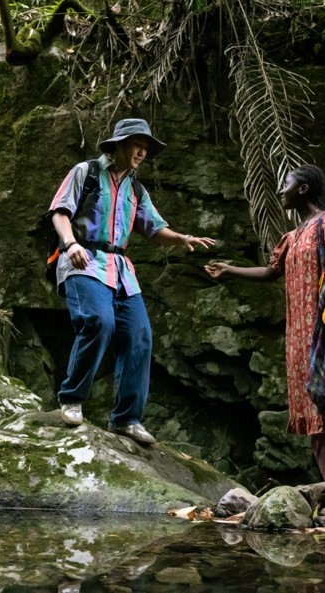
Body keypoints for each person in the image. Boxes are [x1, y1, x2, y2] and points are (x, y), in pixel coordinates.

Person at [205, 165, 325, 486]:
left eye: (286, 184)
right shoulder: (290, 238)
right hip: (299, 340)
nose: (281, 191)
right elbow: (269, 273)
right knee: (315, 415)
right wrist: (230, 270)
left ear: (303, 189)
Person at [47, 118, 215, 445]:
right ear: (120, 144)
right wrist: (71, 244)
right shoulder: (87, 172)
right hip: (83, 259)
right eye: (137, 144)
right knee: (98, 321)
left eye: (146, 147)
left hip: (121, 270)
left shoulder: (135, 188)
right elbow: (59, 212)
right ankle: (71, 398)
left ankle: (126, 419)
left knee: (139, 336)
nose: (142, 152)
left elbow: (153, 229)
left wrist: (182, 238)